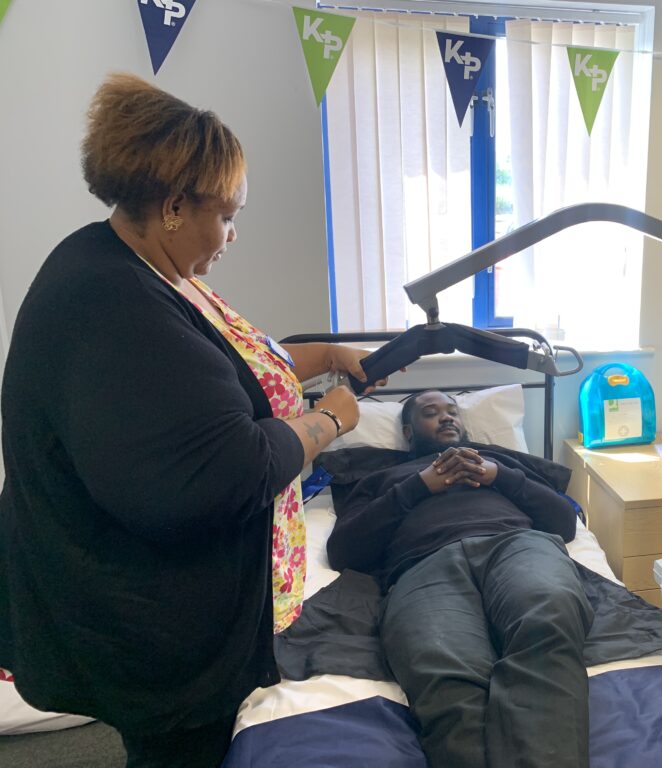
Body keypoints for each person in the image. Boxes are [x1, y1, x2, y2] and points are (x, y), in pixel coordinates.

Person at [0, 73, 381, 767]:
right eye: (228, 215)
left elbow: (234, 370)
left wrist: (326, 353)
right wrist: (329, 420)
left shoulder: (132, 267)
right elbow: (229, 465)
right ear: (176, 205)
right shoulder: (116, 311)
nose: (232, 236)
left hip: (141, 595)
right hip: (149, 623)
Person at [326, 390, 592, 768]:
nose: (447, 418)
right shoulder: (380, 477)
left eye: (453, 411)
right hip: (423, 565)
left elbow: (565, 524)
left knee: (547, 617)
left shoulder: (500, 463)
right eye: (431, 413)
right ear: (407, 430)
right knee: (441, 665)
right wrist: (419, 486)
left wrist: (498, 476)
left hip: (517, 545)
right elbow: (344, 551)